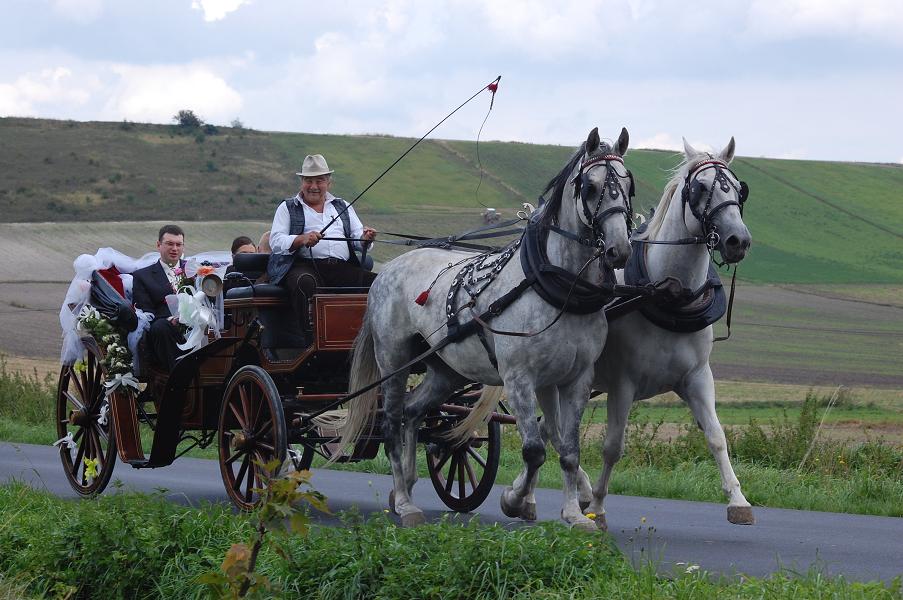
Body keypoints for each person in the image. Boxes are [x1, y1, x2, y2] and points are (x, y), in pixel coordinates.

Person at [267, 154, 377, 341]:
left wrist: (365, 238)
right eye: (309, 181)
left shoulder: (342, 206)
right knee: (304, 282)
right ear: (302, 182)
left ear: (329, 183)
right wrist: (302, 239)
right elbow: (276, 241)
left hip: (341, 267)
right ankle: (312, 339)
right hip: (303, 266)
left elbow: (358, 239)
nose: (314, 186)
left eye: (320, 181)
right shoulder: (287, 207)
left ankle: (369, 338)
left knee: (378, 285)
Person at [132, 225, 188, 371]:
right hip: (165, 328)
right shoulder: (143, 276)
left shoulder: (195, 270)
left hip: (196, 324)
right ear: (158, 245)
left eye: (178, 244)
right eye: (170, 244)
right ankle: (178, 376)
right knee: (161, 327)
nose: (174, 248)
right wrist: (171, 319)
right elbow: (145, 310)